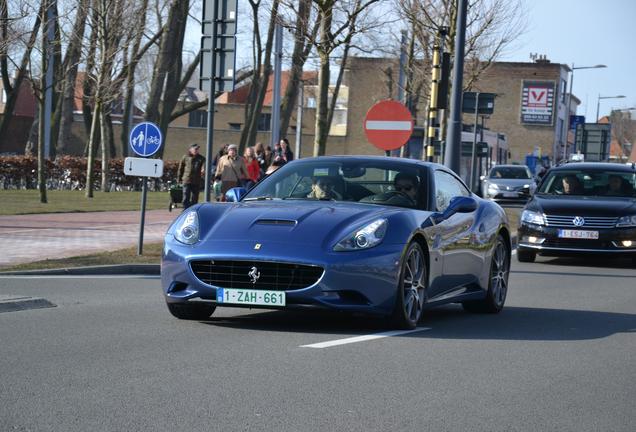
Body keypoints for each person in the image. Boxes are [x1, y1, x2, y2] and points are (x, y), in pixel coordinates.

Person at [177, 143, 205, 209]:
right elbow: (181, 168)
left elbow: (204, 166)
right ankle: (185, 210)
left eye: (197, 149)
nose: (196, 150)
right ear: (190, 149)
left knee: (195, 198)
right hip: (186, 180)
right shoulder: (185, 157)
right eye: (195, 149)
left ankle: (193, 209)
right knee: (186, 196)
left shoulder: (201, 158)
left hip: (196, 181)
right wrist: (179, 178)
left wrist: (203, 169)